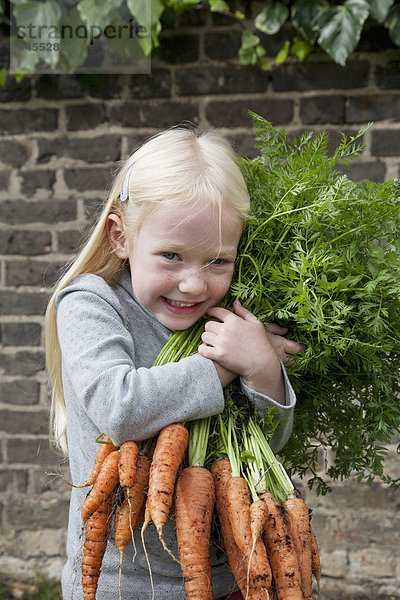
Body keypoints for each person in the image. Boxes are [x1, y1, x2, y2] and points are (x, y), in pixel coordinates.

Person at [45, 127, 303, 600]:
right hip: (117, 583)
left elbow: (270, 439)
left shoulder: (229, 319)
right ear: (120, 237)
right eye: (171, 256)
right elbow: (118, 407)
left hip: (231, 576)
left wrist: (264, 369)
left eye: (218, 261)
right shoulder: (90, 304)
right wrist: (226, 367)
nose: (193, 286)